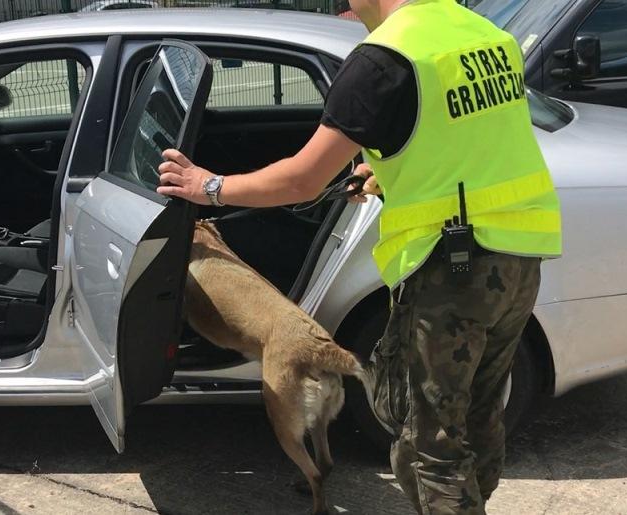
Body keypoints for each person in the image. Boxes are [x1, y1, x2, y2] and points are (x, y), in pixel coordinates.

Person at [157, 0, 562, 512]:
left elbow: (302, 179)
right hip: (521, 255)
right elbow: (468, 138)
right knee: (480, 419)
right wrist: (391, 173)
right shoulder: (484, 33)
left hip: (452, 272)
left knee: (426, 446)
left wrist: (208, 186)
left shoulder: (385, 58)